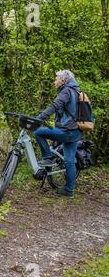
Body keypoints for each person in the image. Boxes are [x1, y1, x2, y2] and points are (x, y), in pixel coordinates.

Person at [34, 70, 82, 198]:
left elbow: (55, 106)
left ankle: (48, 158)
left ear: (63, 80)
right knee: (70, 162)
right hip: (76, 131)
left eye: (56, 79)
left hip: (67, 131)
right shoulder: (76, 91)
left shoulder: (66, 91)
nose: (54, 81)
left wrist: (39, 118)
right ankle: (68, 191)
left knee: (38, 132)